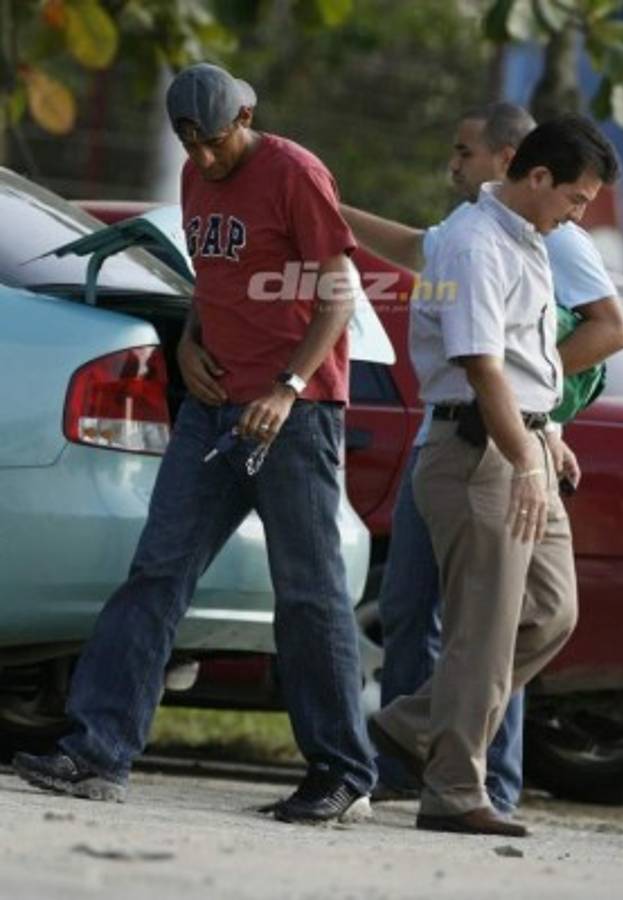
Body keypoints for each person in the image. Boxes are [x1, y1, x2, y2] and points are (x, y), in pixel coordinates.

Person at [13, 63, 377, 825]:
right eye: (191, 144)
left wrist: (287, 385)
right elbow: (212, 280)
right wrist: (188, 350)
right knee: (156, 575)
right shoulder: (194, 176)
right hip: (214, 414)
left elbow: (339, 288)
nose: (205, 158)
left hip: (294, 417)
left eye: (215, 141)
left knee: (308, 598)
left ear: (245, 114)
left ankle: (343, 774)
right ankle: (97, 752)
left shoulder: (293, 172)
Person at [342, 104, 623, 814]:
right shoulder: (475, 243)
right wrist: (525, 451)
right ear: (534, 174)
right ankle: (455, 788)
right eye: (576, 199)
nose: (581, 215)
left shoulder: (533, 235)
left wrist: (546, 426)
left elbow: (545, 354)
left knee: (551, 614)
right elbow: (482, 365)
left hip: (524, 442)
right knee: (483, 627)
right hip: (481, 449)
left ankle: (408, 725)